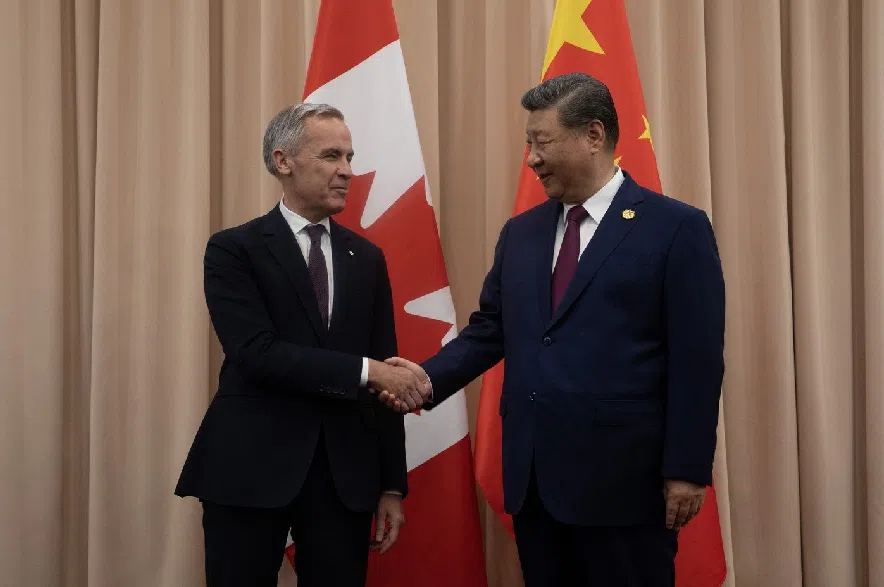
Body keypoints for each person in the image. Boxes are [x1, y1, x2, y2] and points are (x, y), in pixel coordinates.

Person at [381, 73, 726, 586]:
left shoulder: (676, 228)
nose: (531, 159)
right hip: (535, 483)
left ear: (593, 135)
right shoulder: (522, 233)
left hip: (625, 487)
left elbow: (697, 360)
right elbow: (490, 329)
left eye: (541, 143)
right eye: (528, 144)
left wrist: (687, 468)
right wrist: (425, 380)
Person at [174, 103, 428, 587]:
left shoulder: (367, 258)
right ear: (283, 160)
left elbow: (388, 374)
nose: (347, 171)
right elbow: (256, 353)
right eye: (331, 155)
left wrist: (392, 484)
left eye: (350, 156)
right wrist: (367, 371)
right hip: (250, 465)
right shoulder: (234, 249)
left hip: (344, 476)